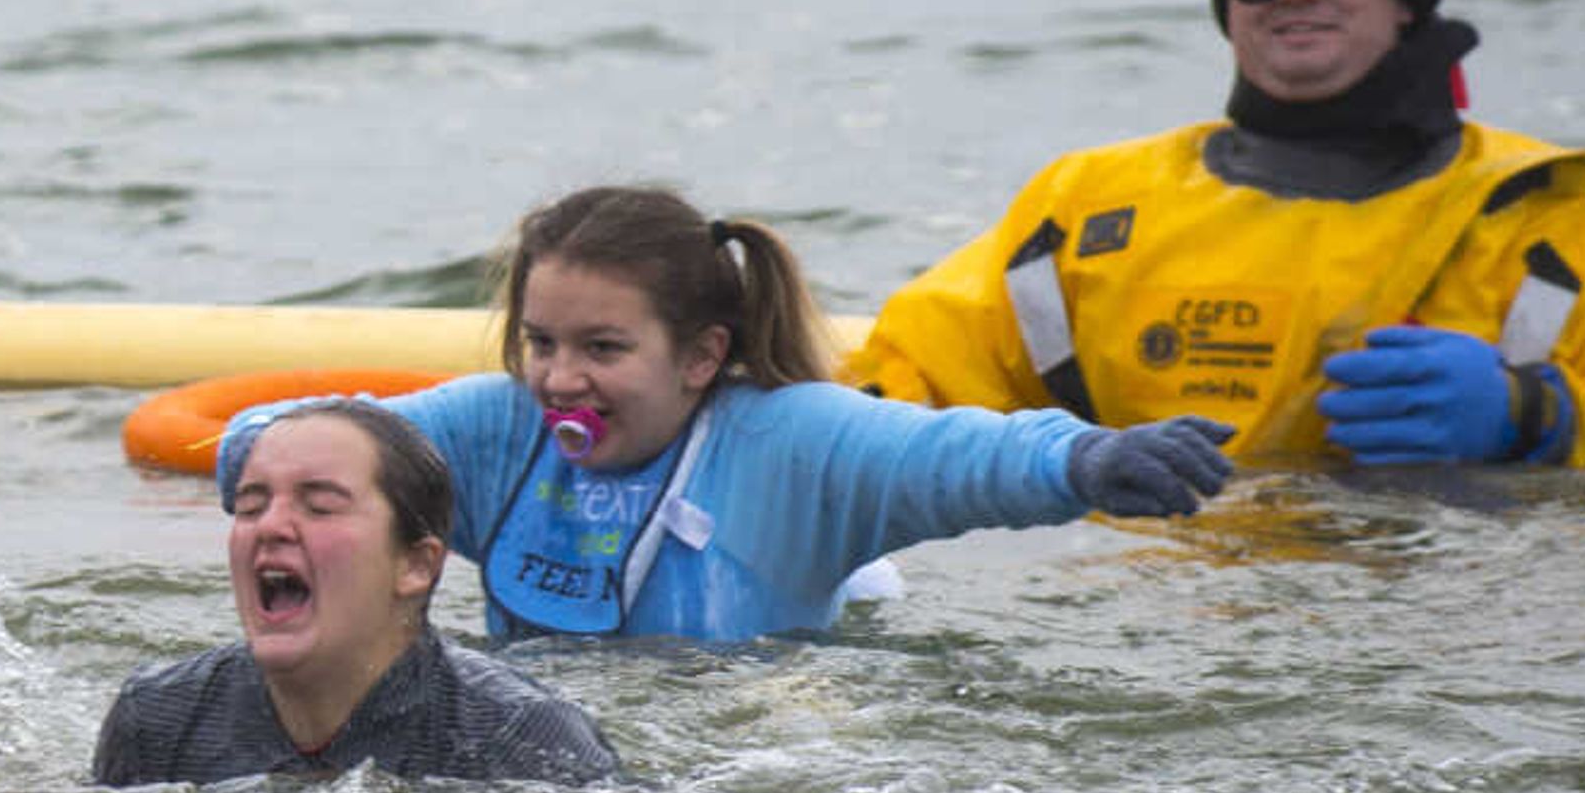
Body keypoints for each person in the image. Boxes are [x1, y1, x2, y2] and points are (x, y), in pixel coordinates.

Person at [845, 0, 1585, 466]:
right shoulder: (1089, 204)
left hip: (1447, 599)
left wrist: (1537, 416)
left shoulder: (1564, 213)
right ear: (1227, 6)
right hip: (1150, 606)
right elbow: (903, 385)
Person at [216, 188, 1236, 644]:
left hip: (788, 686)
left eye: (603, 348)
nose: (560, 379)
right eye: (541, 340)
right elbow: (312, 438)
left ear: (703, 354)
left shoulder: (795, 443)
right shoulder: (495, 428)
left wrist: (1090, 459)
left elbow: (954, 453)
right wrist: (263, 472)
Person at [95, 399, 617, 787]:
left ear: (415, 565)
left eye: (319, 506)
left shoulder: (521, 737)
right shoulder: (159, 717)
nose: (271, 526)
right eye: (252, 506)